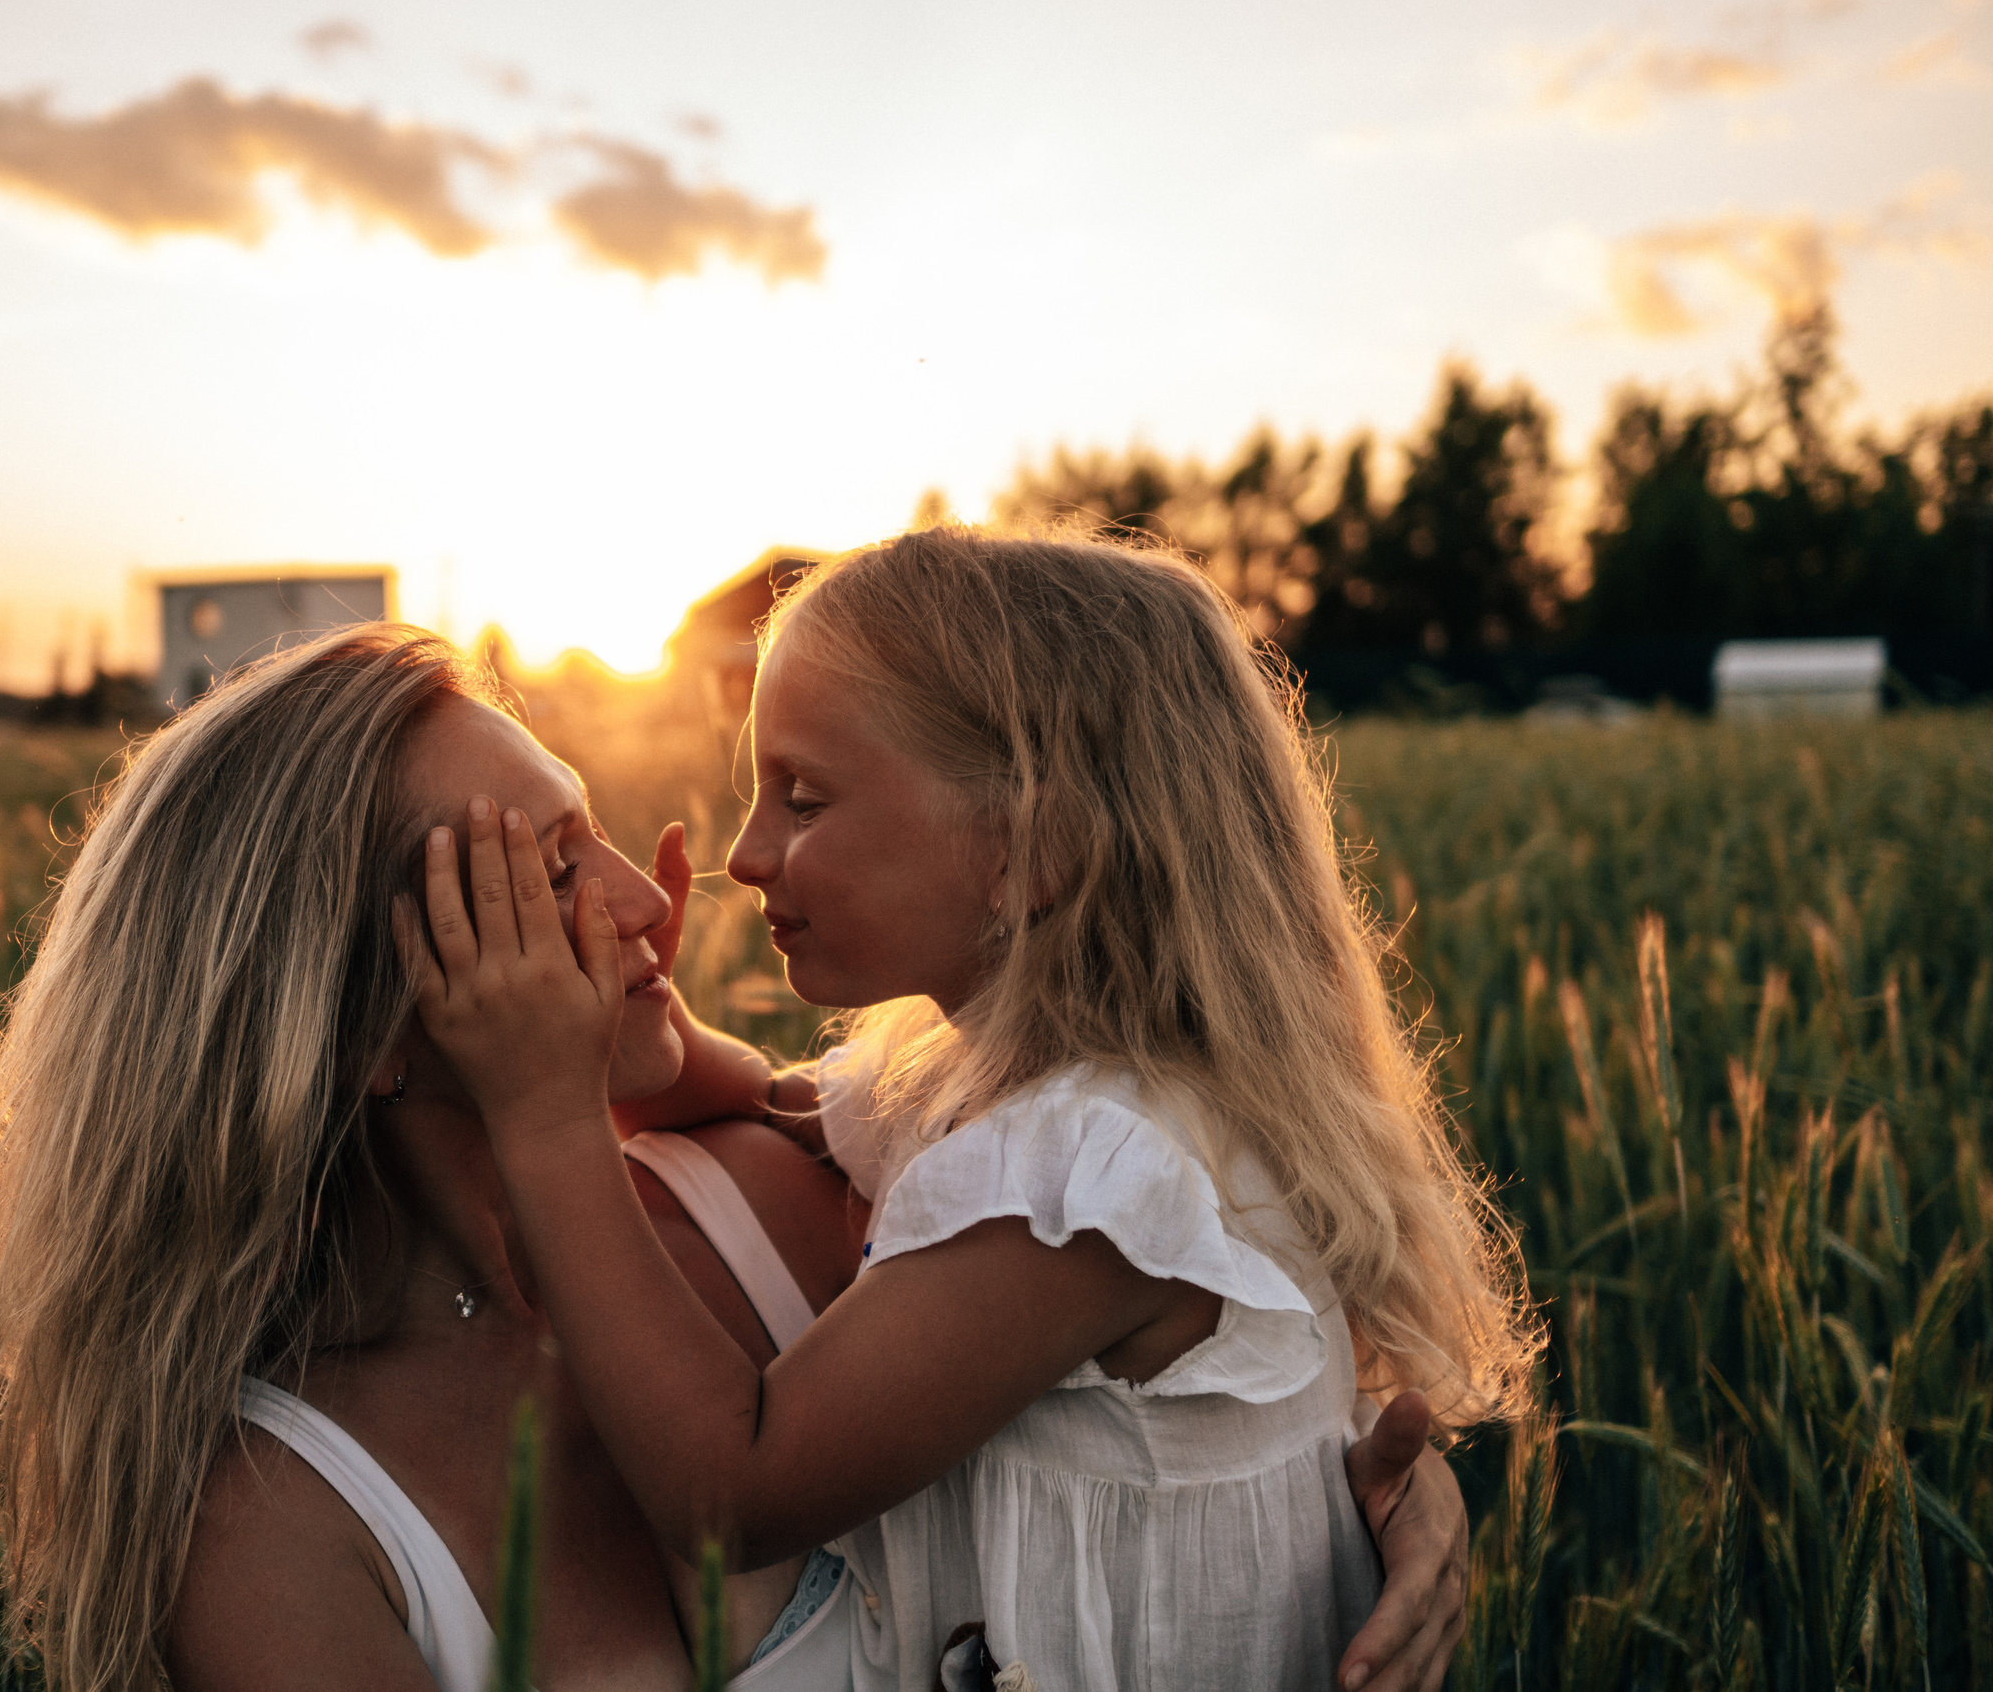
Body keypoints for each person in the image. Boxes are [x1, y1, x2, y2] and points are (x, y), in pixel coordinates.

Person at [0, 620, 1472, 1692]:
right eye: (549, 873)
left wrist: (1344, 1507)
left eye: (599, 831)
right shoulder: (269, 1519)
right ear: (360, 1029)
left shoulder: (788, 1189)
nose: (652, 895)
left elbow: (1176, 1329)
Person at [404, 530, 1540, 1691]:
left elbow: (730, 1491)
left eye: (802, 798)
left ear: (1029, 847)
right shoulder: (1036, 1098)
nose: (743, 855)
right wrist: (634, 1015)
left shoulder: (1084, 1184)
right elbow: (778, 1099)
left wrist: (543, 1116)